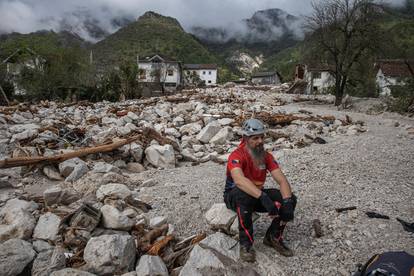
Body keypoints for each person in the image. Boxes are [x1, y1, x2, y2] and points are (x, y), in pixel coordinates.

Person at [224, 118, 297, 262]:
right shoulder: (236, 156)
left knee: (289, 198)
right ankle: (246, 244)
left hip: (257, 195)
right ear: (245, 138)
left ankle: (273, 237)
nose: (260, 141)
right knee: (243, 194)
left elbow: (281, 180)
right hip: (234, 196)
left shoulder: (266, 156)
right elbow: (239, 180)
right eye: (255, 138)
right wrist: (263, 197)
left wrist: (287, 202)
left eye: (262, 137)